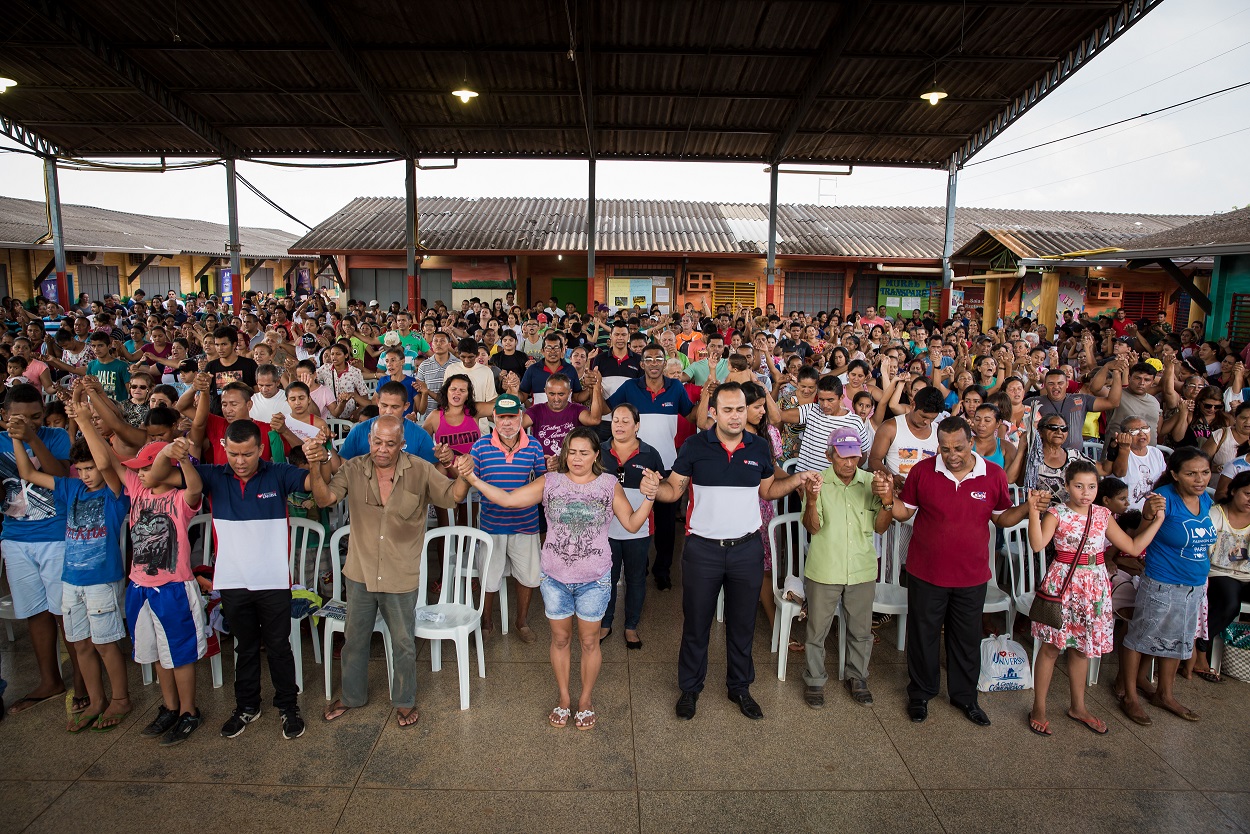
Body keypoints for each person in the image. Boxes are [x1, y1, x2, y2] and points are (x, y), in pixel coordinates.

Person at [458, 427, 658, 729]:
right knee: (561, 639)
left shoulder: (607, 485)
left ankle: (585, 700)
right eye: (572, 452)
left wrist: (650, 498)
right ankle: (565, 698)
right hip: (555, 576)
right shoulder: (549, 481)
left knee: (590, 642)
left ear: (596, 455)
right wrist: (472, 478)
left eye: (584, 452)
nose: (577, 458)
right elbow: (509, 500)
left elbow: (630, 524)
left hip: (595, 577)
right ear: (565, 453)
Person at [150, 420, 322, 740]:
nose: (240, 461)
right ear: (224, 448)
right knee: (244, 648)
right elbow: (158, 476)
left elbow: (315, 483)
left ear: (260, 449)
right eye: (233, 453)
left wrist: (317, 455)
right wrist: (170, 453)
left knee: (278, 647)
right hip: (232, 581)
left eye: (247, 454)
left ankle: (288, 706)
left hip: (273, 581)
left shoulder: (278, 473)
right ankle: (246, 706)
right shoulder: (213, 475)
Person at [654, 383, 812, 721]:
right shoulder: (695, 446)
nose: (735, 415)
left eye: (740, 409)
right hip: (702, 551)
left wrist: (797, 481)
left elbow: (768, 490)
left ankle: (739, 687)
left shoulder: (758, 445)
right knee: (696, 624)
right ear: (714, 412)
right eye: (727, 409)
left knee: (742, 625)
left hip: (746, 550)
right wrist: (655, 489)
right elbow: (673, 490)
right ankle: (690, 688)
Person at [307, 416, 470, 727]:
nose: (382, 449)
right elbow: (324, 498)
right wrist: (315, 466)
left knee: (403, 642)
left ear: (402, 444)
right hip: (361, 571)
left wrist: (462, 473)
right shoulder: (353, 468)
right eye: (377, 442)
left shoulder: (419, 469)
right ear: (370, 440)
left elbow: (452, 496)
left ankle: (405, 699)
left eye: (390, 444)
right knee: (355, 639)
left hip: (400, 572)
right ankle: (353, 696)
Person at [893, 417, 1029, 725]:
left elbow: (1002, 518)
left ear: (971, 442)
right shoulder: (922, 471)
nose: (952, 454)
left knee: (966, 639)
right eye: (944, 448)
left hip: (971, 574)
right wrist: (889, 500)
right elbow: (905, 513)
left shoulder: (992, 474)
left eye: (958, 447)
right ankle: (920, 694)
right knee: (923, 636)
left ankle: (965, 697)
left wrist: (1027, 508)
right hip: (926, 571)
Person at [11, 389, 131, 732]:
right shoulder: (69, 488)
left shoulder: (113, 493)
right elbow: (28, 473)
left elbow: (107, 464)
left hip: (102, 579)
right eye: (81, 469)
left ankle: (120, 698)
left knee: (106, 644)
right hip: (71, 580)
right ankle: (96, 700)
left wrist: (80, 420)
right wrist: (20, 438)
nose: (87, 474)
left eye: (90, 467)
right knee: (80, 644)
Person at [1024, 461, 1165, 736]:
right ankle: (1038, 706)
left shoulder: (1102, 514)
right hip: (1064, 584)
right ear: (1066, 486)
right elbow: (1038, 544)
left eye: (1091, 486)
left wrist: (1157, 521)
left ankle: (1078, 706)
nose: (1085, 492)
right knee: (1052, 647)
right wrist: (1032, 511)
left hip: (1094, 586)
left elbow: (1133, 547)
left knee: (1082, 648)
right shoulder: (1057, 513)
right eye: (1078, 486)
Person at [1118, 447, 1217, 726]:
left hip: (1194, 584)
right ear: (1174, 474)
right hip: (1163, 582)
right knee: (1139, 638)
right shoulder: (1161, 501)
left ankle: (1165, 694)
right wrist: (1149, 516)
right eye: (1191, 473)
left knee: (1179, 640)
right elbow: (1138, 538)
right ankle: (1130, 697)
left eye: (1205, 472)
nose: (1199, 479)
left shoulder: (1205, 501)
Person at [119, 438, 207, 745]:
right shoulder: (138, 490)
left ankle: (188, 711)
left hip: (173, 589)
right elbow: (106, 461)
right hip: (139, 586)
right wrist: (84, 417)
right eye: (139, 469)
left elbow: (195, 487)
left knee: (180, 655)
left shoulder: (181, 500)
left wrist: (180, 458)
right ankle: (169, 707)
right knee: (157, 652)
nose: (140, 473)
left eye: (146, 467)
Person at [800, 430, 895, 709]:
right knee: (817, 629)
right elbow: (813, 528)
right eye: (843, 456)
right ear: (830, 455)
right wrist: (813, 500)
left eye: (854, 456)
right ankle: (815, 680)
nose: (850, 462)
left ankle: (857, 677)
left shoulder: (871, 483)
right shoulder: (817, 483)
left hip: (861, 568)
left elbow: (880, 526)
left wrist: (888, 500)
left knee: (861, 630)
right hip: (824, 568)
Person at [0, 383, 78, 715]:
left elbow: (60, 474)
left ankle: (85, 682)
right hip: (15, 537)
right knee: (35, 612)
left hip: (55, 535)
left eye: (36, 417)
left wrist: (31, 439)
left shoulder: (55, 437)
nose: (30, 423)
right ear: (4, 416)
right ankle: (50, 680)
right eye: (20, 418)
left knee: (66, 612)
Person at [607, 342, 696, 591]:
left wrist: (708, 390)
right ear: (642, 363)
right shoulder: (630, 387)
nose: (654, 363)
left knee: (667, 525)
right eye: (649, 359)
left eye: (659, 359)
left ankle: (662, 570)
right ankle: (641, 565)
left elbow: (690, 416)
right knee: (638, 518)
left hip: (667, 466)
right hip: (636, 465)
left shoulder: (676, 387)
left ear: (665, 363)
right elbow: (608, 410)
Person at [470, 394, 547, 640]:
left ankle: (521, 622)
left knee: (527, 577)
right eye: (501, 417)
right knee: (489, 579)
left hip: (526, 524)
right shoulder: (480, 446)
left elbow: (544, 481)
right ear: (493, 418)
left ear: (520, 417)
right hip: (491, 525)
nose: (506, 422)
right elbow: (471, 482)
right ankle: (486, 622)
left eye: (511, 416)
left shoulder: (534, 445)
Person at [597, 403, 665, 649]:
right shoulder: (600, 451)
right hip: (605, 530)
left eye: (626, 421)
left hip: (640, 528)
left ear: (637, 426)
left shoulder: (650, 454)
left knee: (636, 578)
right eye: (616, 420)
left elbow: (663, 487)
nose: (619, 425)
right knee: (608, 577)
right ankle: (606, 622)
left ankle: (631, 626)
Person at [1192, 470, 1250, 682]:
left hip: (1247, 576)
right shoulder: (1216, 513)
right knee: (1230, 602)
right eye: (1247, 493)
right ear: (1233, 491)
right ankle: (1199, 650)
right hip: (1218, 573)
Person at [338, 381, 436, 463]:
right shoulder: (359, 431)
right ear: (377, 402)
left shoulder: (420, 436)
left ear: (406, 406)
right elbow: (344, 465)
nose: (388, 411)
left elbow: (431, 471)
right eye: (384, 405)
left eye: (395, 407)